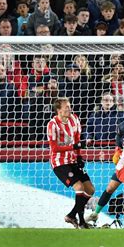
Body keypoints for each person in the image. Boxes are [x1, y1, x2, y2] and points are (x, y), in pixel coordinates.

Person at [47, 97, 95, 228]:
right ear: (58, 110)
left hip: (73, 160)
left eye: (69, 106)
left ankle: (71, 215)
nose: (69, 108)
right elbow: (55, 148)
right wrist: (73, 147)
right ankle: (82, 222)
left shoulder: (74, 119)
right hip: (59, 163)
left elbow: (77, 139)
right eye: (66, 107)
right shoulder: (52, 124)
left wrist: (79, 156)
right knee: (79, 187)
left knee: (90, 189)